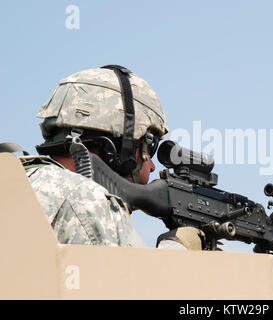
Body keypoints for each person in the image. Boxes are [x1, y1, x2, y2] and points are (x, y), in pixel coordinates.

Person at [26, 65, 204, 249]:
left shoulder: (22, 179)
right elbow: (123, 277)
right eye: (150, 147)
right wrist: (179, 247)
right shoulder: (86, 198)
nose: (152, 166)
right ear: (122, 146)